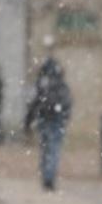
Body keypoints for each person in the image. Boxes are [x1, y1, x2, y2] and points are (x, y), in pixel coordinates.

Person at [24, 57, 74, 191]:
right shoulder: (61, 85)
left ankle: (46, 176)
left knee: (45, 150)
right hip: (56, 121)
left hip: (43, 119)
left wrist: (28, 122)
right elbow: (67, 103)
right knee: (53, 150)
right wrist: (65, 118)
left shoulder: (41, 84)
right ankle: (49, 177)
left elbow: (33, 104)